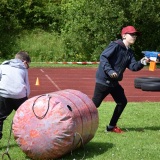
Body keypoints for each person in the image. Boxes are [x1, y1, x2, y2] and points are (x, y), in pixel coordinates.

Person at [92, 26, 149, 133]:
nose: (134, 36)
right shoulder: (115, 46)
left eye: (135, 35)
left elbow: (133, 67)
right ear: (124, 36)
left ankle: (111, 127)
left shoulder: (129, 52)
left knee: (122, 101)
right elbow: (103, 57)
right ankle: (75, 122)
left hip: (114, 82)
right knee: (94, 105)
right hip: (104, 81)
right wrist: (110, 71)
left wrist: (142, 62)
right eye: (132, 34)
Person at [0, 51, 31, 139]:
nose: (28, 67)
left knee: (0, 117)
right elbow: (27, 86)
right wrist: (25, 99)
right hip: (20, 95)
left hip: (4, 94)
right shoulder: (23, 69)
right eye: (28, 64)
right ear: (24, 62)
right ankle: (27, 137)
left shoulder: (2, 66)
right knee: (26, 117)